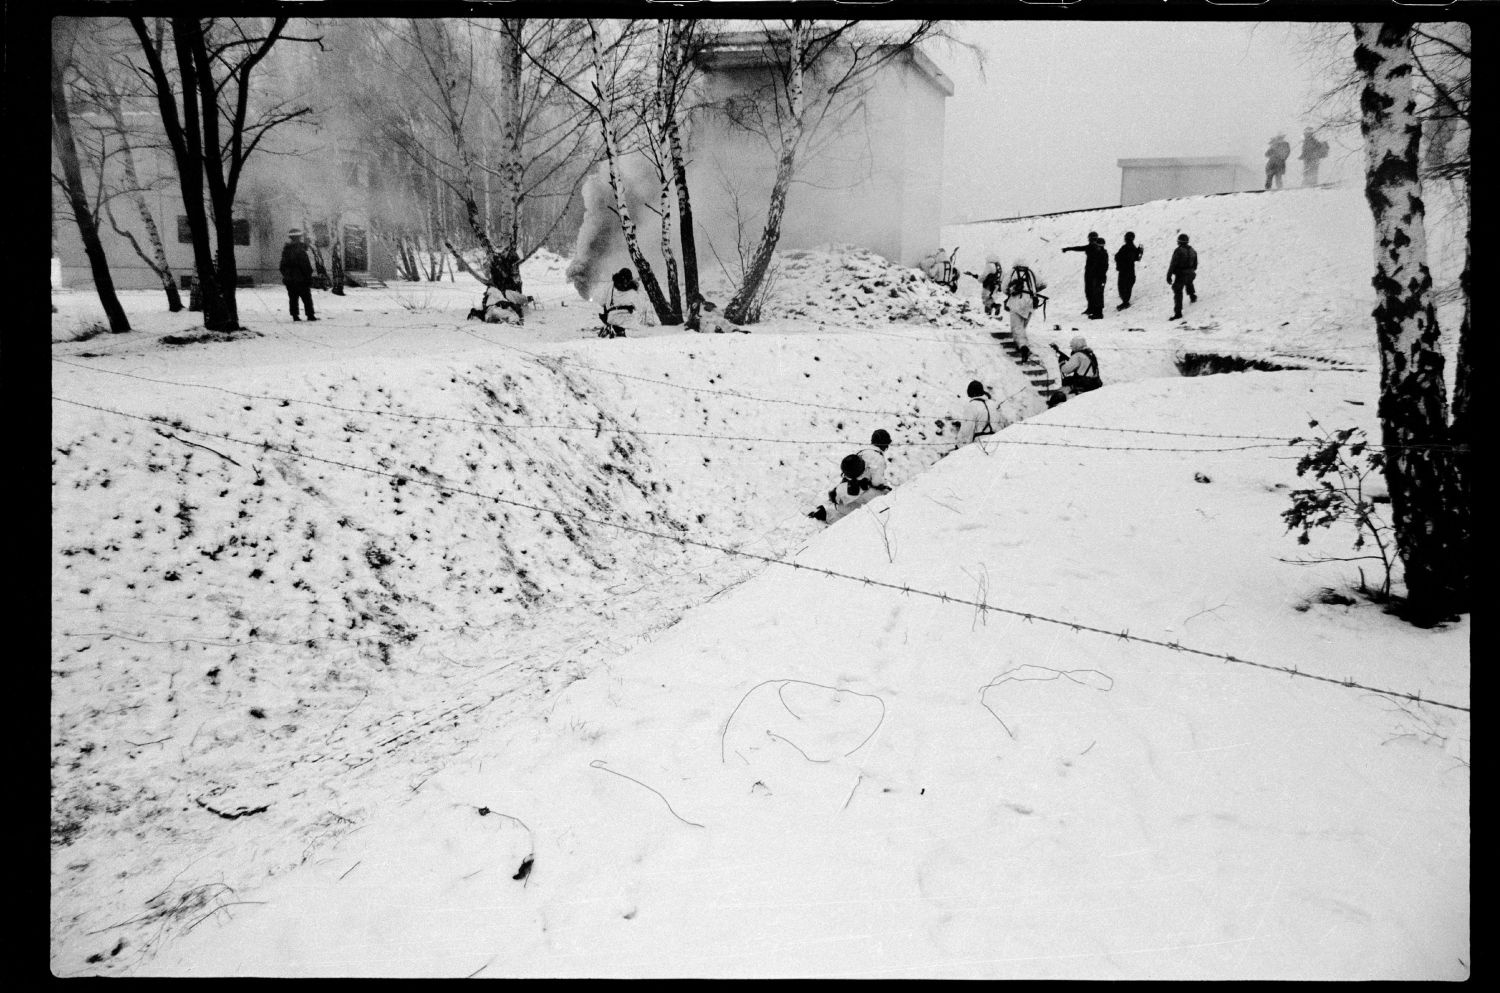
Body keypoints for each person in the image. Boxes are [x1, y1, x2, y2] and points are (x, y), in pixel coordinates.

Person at [807, 453, 881, 524]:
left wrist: (833, 496)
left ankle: (826, 515)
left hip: (868, 511)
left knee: (842, 508)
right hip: (878, 502)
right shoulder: (873, 471)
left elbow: (836, 499)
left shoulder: (844, 488)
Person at [1002, 259, 1046, 361]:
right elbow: (1043, 284)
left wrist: (1011, 292)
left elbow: (1004, 287)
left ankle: (1023, 347)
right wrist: (1032, 291)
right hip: (1030, 302)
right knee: (1022, 326)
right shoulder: (1031, 272)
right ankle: (1020, 344)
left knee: (1017, 326)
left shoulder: (1012, 272)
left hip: (1016, 301)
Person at [1061, 232, 1109, 319]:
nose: (1092, 241)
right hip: (1091, 273)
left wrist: (1068, 249)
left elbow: (1103, 266)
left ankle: (1095, 311)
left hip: (1095, 274)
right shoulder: (1094, 248)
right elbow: (1080, 248)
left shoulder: (1098, 250)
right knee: (1090, 291)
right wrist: (1068, 249)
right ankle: (1091, 309)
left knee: (1095, 293)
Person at [1047, 336, 1102, 406]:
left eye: (1072, 346)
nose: (1072, 348)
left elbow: (1065, 370)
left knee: (1058, 394)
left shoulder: (1078, 355)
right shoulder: (1090, 354)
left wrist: (1061, 363)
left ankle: (1053, 407)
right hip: (1094, 382)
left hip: (1083, 384)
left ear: (1076, 346)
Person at [279, 229, 317, 322]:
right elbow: (306, 265)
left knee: (293, 298)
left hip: (290, 280)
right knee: (307, 298)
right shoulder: (301, 250)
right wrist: (308, 275)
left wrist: (287, 275)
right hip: (302, 279)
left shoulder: (286, 251)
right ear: (299, 237)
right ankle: (310, 315)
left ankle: (295, 316)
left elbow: (282, 266)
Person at [598, 267, 640, 338]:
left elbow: (601, 302)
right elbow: (639, 307)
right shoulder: (633, 290)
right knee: (635, 333)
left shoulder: (610, 286)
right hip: (628, 318)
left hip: (612, 317)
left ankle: (611, 328)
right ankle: (618, 330)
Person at [954, 380, 999, 446]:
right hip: (996, 442)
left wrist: (959, 445)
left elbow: (967, 430)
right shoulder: (993, 404)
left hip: (980, 444)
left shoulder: (971, 406)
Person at [1167, 233, 1198, 320]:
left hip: (1181, 274)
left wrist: (1169, 275)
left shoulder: (1178, 251)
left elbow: (1173, 264)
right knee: (1189, 282)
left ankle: (1178, 313)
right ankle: (1193, 296)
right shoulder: (1193, 251)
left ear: (1179, 242)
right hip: (1191, 273)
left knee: (1178, 292)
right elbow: (1195, 265)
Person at [1114, 232, 1143, 310]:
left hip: (1124, 271)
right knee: (1127, 286)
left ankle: (1125, 302)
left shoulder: (1125, 247)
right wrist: (1139, 251)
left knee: (1122, 287)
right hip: (1130, 271)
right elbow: (1137, 258)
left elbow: (1117, 256)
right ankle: (1125, 302)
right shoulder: (1133, 248)